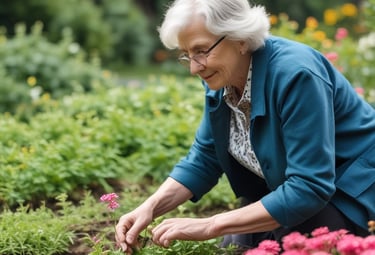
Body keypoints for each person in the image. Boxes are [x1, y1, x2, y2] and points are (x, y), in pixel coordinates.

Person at [115, 0, 375, 253]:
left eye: (202, 50)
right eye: (187, 55)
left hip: (353, 192)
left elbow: (309, 186)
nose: (194, 68)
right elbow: (205, 157)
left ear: (239, 38)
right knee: (234, 244)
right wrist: (149, 207)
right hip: (300, 193)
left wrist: (209, 224)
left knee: (291, 242)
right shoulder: (223, 77)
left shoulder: (295, 74)